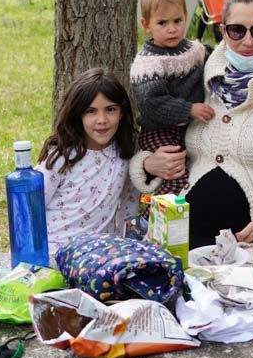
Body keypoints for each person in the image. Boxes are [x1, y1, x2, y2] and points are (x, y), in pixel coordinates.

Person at [130, 0, 253, 264]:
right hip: (183, 240)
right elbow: (158, 129)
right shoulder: (198, 79)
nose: (248, 41)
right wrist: (146, 164)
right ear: (223, 31)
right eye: (237, 30)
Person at [37, 68, 175, 255]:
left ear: (122, 111)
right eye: (91, 111)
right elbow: (31, 209)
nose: (102, 120)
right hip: (56, 252)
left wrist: (125, 250)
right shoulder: (62, 157)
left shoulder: (126, 151)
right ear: (78, 114)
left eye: (110, 109)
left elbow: (129, 207)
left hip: (102, 254)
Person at [131, 0, 215, 196]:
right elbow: (151, 103)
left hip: (191, 128)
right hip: (160, 130)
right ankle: (158, 210)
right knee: (175, 172)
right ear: (146, 24)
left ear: (186, 17)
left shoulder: (194, 50)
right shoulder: (148, 63)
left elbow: (215, 59)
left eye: (177, 21)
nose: (172, 28)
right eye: (162, 23)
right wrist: (189, 110)